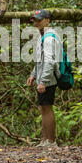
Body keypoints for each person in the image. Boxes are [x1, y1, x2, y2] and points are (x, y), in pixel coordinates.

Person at [26, 9, 61, 147]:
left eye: (39, 20)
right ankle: (45, 140)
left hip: (48, 79)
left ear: (47, 20)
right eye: (35, 20)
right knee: (43, 108)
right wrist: (33, 75)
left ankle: (51, 141)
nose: (36, 23)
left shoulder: (49, 38)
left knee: (47, 108)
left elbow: (49, 61)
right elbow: (40, 60)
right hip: (43, 77)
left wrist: (43, 81)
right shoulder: (43, 36)